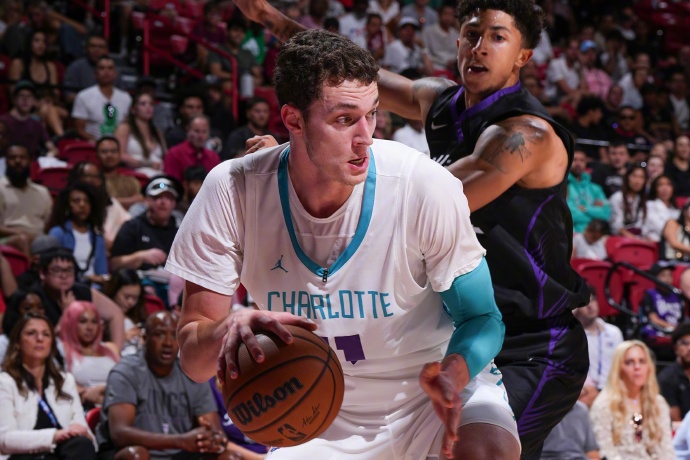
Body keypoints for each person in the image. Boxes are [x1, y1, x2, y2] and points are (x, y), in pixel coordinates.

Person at [233, 0, 589, 457]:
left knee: (472, 448)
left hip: (532, 344)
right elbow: (345, 73)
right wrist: (270, 18)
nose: (480, 47)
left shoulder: (526, 136)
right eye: (472, 34)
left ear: (524, 56)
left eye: (498, 37)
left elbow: (426, 200)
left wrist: (290, 164)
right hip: (457, 331)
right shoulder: (439, 101)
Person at [167, 29, 519, 460]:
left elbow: (483, 317)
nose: (366, 136)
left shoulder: (422, 184)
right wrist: (227, 329)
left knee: (487, 452)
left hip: (428, 388)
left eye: (372, 114)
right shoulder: (232, 190)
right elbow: (193, 361)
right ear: (293, 120)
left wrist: (454, 372)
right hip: (314, 404)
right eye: (344, 120)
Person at [96, 311, 232, 459]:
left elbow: (215, 430)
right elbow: (120, 434)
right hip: (132, 453)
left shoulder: (192, 374)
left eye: (174, 336)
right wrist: (180, 441)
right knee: (136, 455)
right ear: (144, 338)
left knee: (227, 457)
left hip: (178, 455)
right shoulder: (126, 372)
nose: (168, 343)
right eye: (160, 334)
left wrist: (214, 439)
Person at [0, 311, 96, 460]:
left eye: (46, 334)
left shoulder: (65, 381)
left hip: (63, 453)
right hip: (24, 455)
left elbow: (82, 429)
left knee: (81, 445)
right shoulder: (5, 382)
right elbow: (5, 440)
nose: (40, 339)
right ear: (17, 343)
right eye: (31, 333)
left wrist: (83, 434)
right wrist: (54, 436)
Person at [590, 340, 675, 460]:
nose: (637, 367)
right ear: (618, 368)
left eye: (642, 361)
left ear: (649, 367)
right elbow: (605, 451)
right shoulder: (604, 405)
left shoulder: (658, 403)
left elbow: (666, 450)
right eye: (629, 362)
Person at [31, 248, 125, 350]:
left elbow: (116, 314)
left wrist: (116, 352)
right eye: (57, 271)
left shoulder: (81, 291)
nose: (64, 276)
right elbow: (42, 340)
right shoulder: (33, 298)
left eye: (69, 270)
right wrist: (67, 313)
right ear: (42, 273)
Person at [110, 177, 180, 272]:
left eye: (168, 198)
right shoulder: (132, 227)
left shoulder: (179, 234)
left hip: (169, 279)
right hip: (138, 278)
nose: (163, 202)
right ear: (147, 201)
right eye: (157, 197)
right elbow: (114, 264)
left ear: (174, 204)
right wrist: (139, 257)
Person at [59, 301, 119, 410]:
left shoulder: (110, 348)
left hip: (116, 404)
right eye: (83, 321)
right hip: (82, 407)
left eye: (94, 321)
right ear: (71, 322)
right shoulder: (61, 348)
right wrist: (87, 394)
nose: (89, 327)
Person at [48, 183, 109, 286]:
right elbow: (53, 270)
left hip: (94, 288)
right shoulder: (58, 233)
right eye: (76, 201)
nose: (82, 205)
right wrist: (85, 278)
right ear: (67, 205)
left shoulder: (97, 237)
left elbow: (102, 273)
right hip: (66, 285)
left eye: (87, 201)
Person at [7, 30, 64, 137]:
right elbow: (13, 94)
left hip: (48, 106)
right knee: (47, 110)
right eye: (36, 41)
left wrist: (48, 100)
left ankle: (53, 140)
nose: (41, 45)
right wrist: (35, 103)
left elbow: (56, 93)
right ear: (29, 42)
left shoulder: (50, 66)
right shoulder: (18, 64)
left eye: (44, 42)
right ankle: (61, 138)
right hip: (25, 108)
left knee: (47, 109)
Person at [573, 286, 624, 403]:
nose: (590, 306)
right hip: (585, 392)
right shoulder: (572, 336)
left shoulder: (613, 332)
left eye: (593, 300)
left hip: (613, 391)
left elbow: (621, 364)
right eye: (584, 304)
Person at [66, 160, 131, 252]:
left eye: (96, 177)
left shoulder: (111, 203)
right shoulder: (69, 204)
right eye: (87, 176)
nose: (92, 180)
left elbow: (129, 226)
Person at [0, 144, 52, 255]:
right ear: (6, 162)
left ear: (30, 161)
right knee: (23, 240)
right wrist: (20, 232)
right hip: (7, 239)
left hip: (39, 240)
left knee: (53, 241)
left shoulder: (42, 192)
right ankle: (28, 267)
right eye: (13, 158)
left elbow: (49, 224)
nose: (18, 161)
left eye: (22, 157)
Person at [71, 56, 132, 141]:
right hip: (92, 144)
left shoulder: (126, 98)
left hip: (119, 144)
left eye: (110, 68)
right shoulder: (83, 96)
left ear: (115, 73)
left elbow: (128, 126)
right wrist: (100, 143)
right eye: (102, 68)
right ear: (95, 73)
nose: (106, 72)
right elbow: (80, 130)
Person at [114, 91, 167, 178]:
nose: (148, 107)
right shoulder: (125, 128)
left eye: (151, 104)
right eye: (143, 104)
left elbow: (166, 157)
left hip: (159, 175)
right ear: (133, 109)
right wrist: (148, 164)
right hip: (136, 175)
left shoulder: (157, 132)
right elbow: (119, 155)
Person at [0, 81, 57, 158]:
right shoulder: (3, 121)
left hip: (30, 163)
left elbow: (52, 148)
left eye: (29, 96)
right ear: (14, 99)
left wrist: (50, 154)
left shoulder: (37, 123)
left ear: (34, 101)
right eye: (21, 96)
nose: (25, 100)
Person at [62, 35, 124, 105]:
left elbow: (122, 96)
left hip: (109, 108)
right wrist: (93, 103)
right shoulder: (75, 67)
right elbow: (68, 96)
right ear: (86, 49)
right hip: (83, 108)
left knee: (112, 111)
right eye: (93, 46)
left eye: (101, 47)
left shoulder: (114, 70)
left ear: (107, 50)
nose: (96, 50)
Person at [102, 269, 146, 356]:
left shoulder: (138, 315)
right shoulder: (100, 316)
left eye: (135, 298)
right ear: (114, 291)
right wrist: (122, 338)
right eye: (126, 297)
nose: (131, 302)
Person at [163, 116, 220, 182]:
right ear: (188, 131)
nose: (200, 136)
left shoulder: (213, 157)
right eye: (197, 131)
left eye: (204, 132)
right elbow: (172, 183)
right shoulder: (174, 154)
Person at [94, 136, 144, 211]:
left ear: (119, 154)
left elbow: (140, 200)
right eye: (104, 152)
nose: (109, 155)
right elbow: (101, 203)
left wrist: (112, 201)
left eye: (113, 151)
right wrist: (131, 201)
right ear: (96, 155)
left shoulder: (131, 181)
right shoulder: (93, 182)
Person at [567, 149, 610, 233]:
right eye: (575, 160)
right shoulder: (564, 187)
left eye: (582, 160)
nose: (578, 163)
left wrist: (585, 209)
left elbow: (606, 214)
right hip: (573, 234)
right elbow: (569, 215)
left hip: (596, 234)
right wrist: (594, 212)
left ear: (586, 163)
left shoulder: (596, 188)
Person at [639, 262, 684, 340]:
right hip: (657, 331)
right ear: (655, 277)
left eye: (670, 275)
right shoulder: (650, 294)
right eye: (663, 275)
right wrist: (676, 328)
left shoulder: (678, 295)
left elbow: (682, 320)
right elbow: (654, 319)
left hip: (676, 332)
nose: (667, 278)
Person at [658, 322, 690, 424]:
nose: (689, 348)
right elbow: (675, 420)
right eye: (685, 343)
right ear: (676, 348)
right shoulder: (667, 378)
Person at [608, 164, 649, 239]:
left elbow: (643, 226)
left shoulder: (643, 200)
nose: (637, 181)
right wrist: (635, 239)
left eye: (641, 177)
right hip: (618, 238)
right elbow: (616, 226)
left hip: (637, 236)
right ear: (627, 177)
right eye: (634, 176)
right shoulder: (617, 197)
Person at [643, 174, 680, 243]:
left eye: (668, 184)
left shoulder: (676, 210)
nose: (665, 188)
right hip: (655, 244)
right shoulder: (649, 205)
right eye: (660, 185)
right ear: (655, 188)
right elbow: (661, 229)